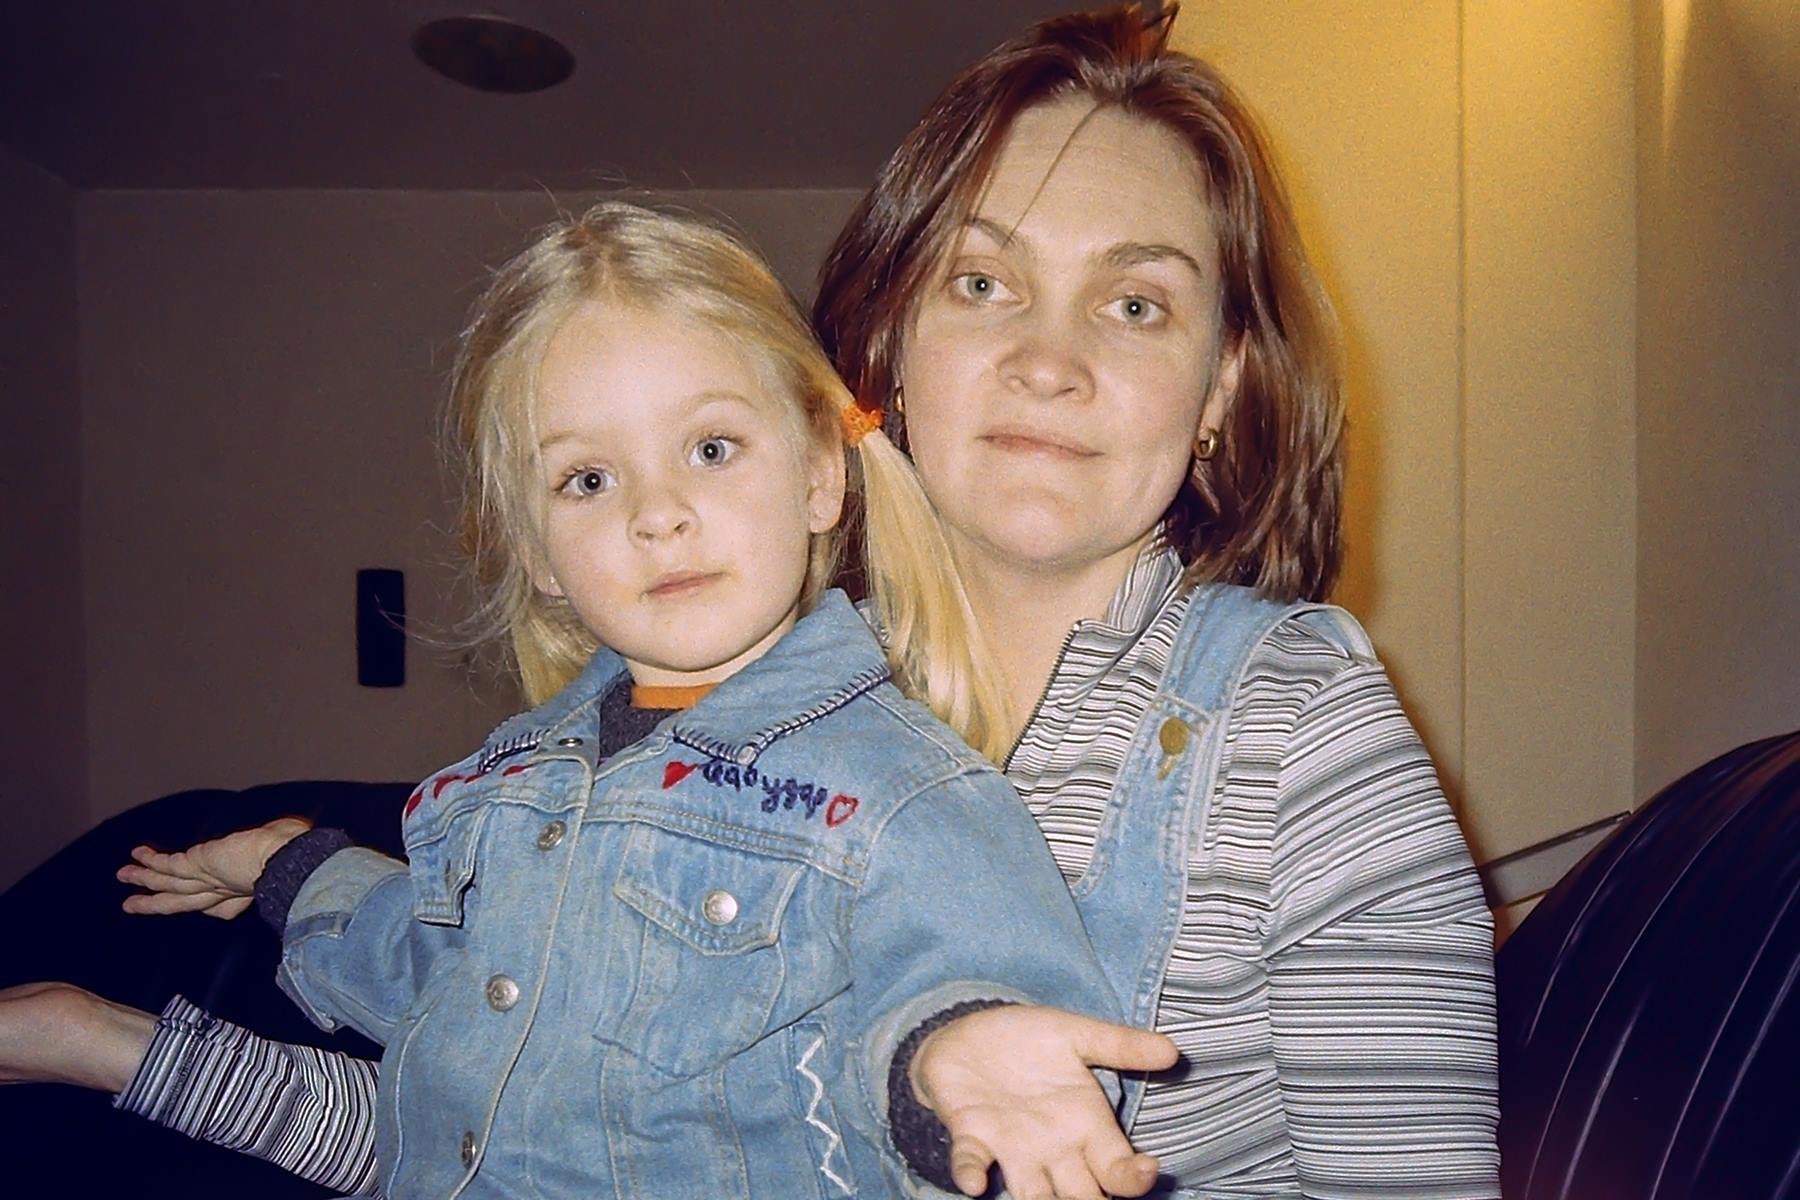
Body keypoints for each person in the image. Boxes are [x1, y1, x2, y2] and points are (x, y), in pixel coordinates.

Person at [6, 6, 1500, 1197]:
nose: (1051, 356)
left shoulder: (1294, 721)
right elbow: (495, 1126)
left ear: (1222, 391)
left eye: (1136, 301)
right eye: (984, 283)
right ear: (884, 350)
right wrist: (111, 1039)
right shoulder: (705, 715)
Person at [111, 200, 1157, 1199]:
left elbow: (967, 985)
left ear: (816, 479)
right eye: (589, 481)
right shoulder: (511, 778)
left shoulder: (897, 790)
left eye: (710, 449)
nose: (659, 513)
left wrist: (954, 1053)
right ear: (541, 555)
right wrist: (289, 869)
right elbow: (439, 971)